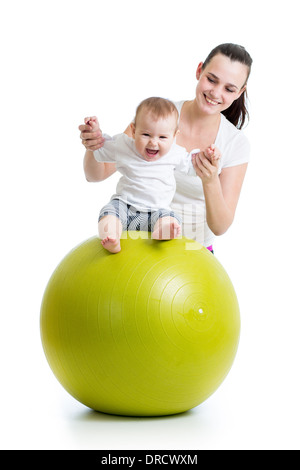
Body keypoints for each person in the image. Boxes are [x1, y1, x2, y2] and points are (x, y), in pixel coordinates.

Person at [79, 43, 252, 252]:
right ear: (199, 71)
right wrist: (93, 145)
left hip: (192, 250)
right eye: (211, 80)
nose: (216, 92)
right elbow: (95, 175)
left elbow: (220, 226)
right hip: (135, 242)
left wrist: (210, 179)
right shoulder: (158, 115)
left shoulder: (235, 143)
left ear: (239, 92)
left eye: (229, 88)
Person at [85, 97, 220, 253]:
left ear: (174, 136)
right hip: (124, 205)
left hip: (157, 211)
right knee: (108, 214)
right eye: (146, 135)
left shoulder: (175, 153)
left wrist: (208, 156)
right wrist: (94, 133)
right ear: (134, 130)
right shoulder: (123, 145)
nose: (153, 142)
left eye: (162, 137)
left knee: (171, 219)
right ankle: (111, 238)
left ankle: (163, 232)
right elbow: (101, 146)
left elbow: (193, 164)